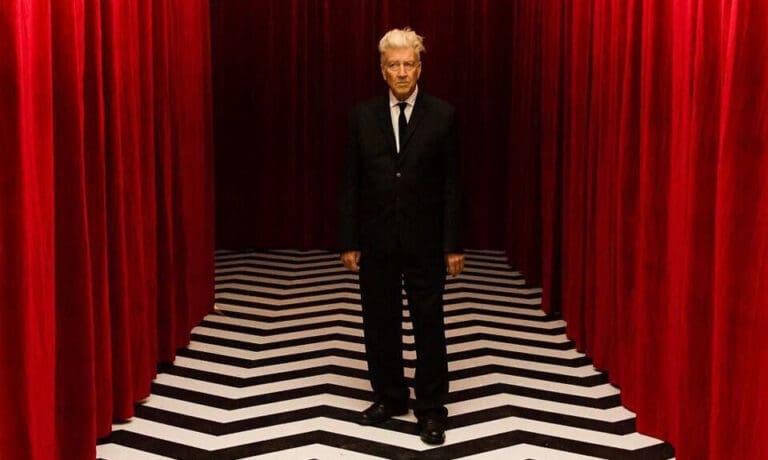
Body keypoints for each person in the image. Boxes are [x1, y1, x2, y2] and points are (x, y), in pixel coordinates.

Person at [338, 27, 465, 446]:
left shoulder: (443, 115)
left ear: (420, 67)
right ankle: (390, 397)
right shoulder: (361, 116)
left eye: (409, 63)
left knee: (429, 325)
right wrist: (350, 240)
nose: (402, 71)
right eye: (394, 64)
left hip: (426, 243)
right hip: (376, 242)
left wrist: (452, 245)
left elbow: (453, 184)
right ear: (382, 70)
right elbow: (351, 182)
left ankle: (431, 408)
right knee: (380, 323)